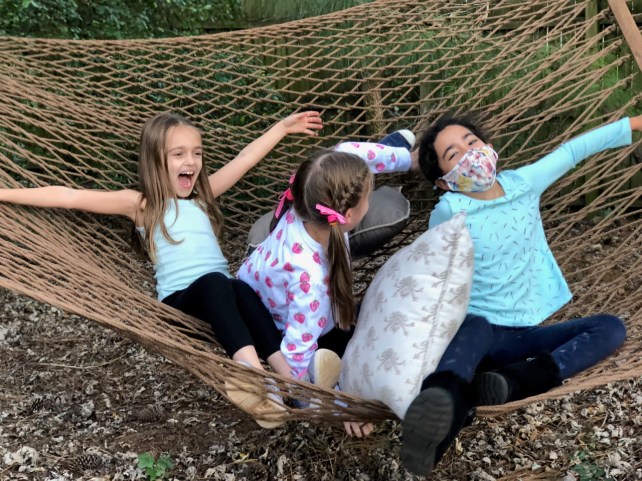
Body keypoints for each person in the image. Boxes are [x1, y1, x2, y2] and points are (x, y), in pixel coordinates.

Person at [0, 110, 323, 428]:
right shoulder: (142, 204)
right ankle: (257, 381)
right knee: (215, 282)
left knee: (240, 288)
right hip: (180, 302)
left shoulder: (203, 195)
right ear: (156, 161)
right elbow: (70, 196)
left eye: (196, 153)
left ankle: (294, 381)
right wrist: (4, 193)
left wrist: (282, 128)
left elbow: (245, 159)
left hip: (223, 298)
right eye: (178, 154)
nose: (190, 161)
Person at [403, 112, 638, 475]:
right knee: (472, 337)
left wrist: (633, 125)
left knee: (610, 329)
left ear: (488, 146)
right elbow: (429, 273)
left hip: (523, 337)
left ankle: (510, 384)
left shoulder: (523, 182)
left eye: (471, 141)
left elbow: (573, 151)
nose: (469, 153)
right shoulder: (449, 209)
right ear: (444, 182)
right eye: (453, 154)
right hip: (473, 333)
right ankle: (433, 419)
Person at [238, 131, 419, 437]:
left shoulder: (308, 200)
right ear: (347, 215)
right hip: (281, 325)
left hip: (269, 290)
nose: (370, 200)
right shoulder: (311, 282)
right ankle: (333, 387)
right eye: (369, 197)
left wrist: (406, 159)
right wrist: (339, 407)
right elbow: (294, 358)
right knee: (372, 352)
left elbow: (350, 151)